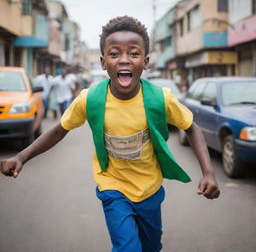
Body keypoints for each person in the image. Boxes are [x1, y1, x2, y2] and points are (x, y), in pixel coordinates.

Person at [0, 16, 220, 252]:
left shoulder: (160, 98)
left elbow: (191, 128)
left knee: (151, 247)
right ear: (103, 61)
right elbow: (57, 131)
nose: (124, 60)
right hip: (112, 187)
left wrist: (208, 172)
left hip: (150, 189)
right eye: (114, 54)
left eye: (134, 54)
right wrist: (21, 157)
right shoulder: (90, 99)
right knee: (127, 248)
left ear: (145, 61)